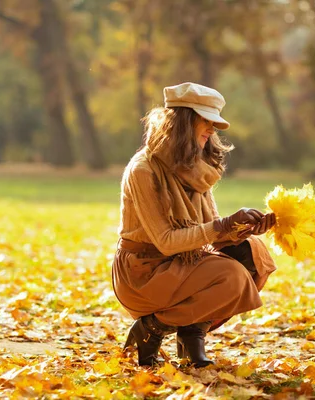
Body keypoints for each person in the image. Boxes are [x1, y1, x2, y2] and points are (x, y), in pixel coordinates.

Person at [112, 82, 278, 368]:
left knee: (252, 253)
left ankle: (191, 338)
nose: (213, 129)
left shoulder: (195, 168)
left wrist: (245, 228)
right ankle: (151, 328)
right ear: (182, 121)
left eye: (216, 122)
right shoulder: (143, 170)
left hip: (182, 264)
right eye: (207, 120)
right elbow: (165, 240)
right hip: (144, 271)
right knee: (231, 276)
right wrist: (224, 224)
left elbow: (213, 234)